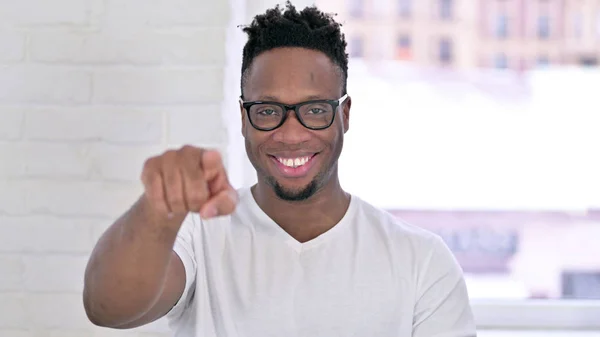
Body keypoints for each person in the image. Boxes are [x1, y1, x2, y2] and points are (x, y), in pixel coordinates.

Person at [82, 2, 477, 336]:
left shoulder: (422, 261)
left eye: (314, 110)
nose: (291, 134)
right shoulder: (196, 234)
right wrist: (158, 210)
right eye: (268, 110)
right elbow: (108, 308)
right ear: (243, 117)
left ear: (345, 115)